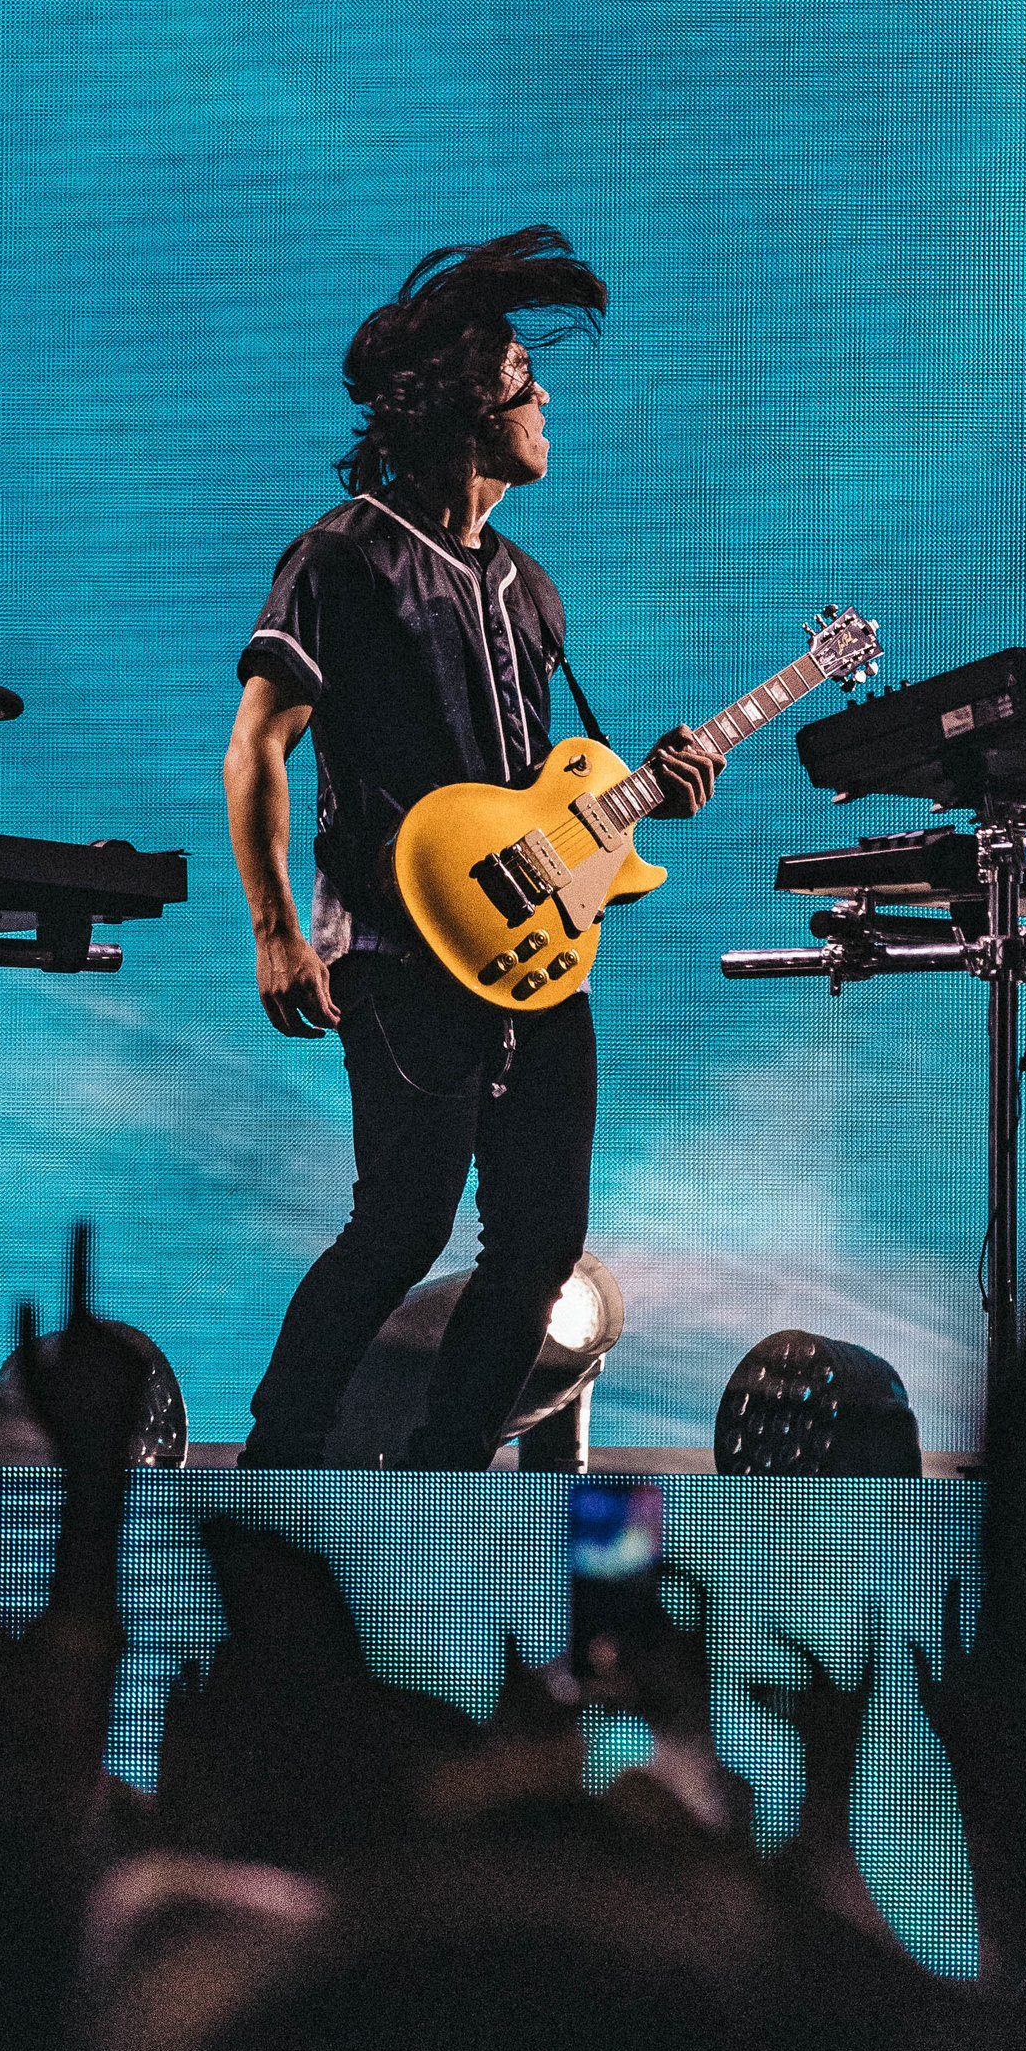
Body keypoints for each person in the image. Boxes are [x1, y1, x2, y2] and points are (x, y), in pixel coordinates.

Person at [224, 227, 719, 1466]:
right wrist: (280, 932)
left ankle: (447, 1467)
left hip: (540, 962)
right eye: (519, 379)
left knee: (542, 1244)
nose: (544, 397)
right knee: (399, 1227)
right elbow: (255, 749)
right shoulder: (346, 556)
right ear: (459, 409)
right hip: (398, 948)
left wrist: (649, 798)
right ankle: (277, 1459)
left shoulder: (533, 587)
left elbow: (548, 809)